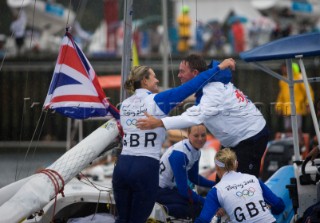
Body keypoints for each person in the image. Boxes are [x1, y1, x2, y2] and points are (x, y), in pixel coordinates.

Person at [112, 59, 235, 223]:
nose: (157, 80)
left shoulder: (125, 105)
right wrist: (219, 68)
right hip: (145, 167)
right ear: (144, 81)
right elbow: (191, 86)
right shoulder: (157, 100)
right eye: (154, 77)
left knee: (122, 219)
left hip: (122, 166)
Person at [137, 54, 268, 178]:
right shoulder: (211, 84)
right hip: (235, 140)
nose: (178, 75)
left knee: (243, 185)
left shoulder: (213, 91)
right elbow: (206, 102)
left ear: (195, 73)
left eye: (182, 71)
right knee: (223, 183)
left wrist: (159, 123)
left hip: (251, 137)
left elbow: (194, 117)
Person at [194, 148, 285, 223]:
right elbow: (278, 205)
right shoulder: (253, 179)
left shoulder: (216, 191)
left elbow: (203, 220)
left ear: (217, 168)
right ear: (236, 164)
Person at [157, 124, 215, 220]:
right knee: (198, 208)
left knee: (198, 205)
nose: (200, 139)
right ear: (188, 135)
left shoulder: (196, 150)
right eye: (196, 136)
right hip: (160, 190)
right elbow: (184, 191)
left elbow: (194, 178)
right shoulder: (180, 155)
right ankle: (159, 210)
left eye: (203, 135)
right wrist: (205, 201)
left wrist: (216, 183)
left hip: (171, 189)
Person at [275, 62, 314, 146]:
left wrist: (308, 103)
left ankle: (300, 144)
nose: (282, 70)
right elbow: (281, 96)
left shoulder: (299, 77)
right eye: (282, 68)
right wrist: (278, 107)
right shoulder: (283, 80)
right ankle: (291, 144)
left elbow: (308, 91)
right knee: (287, 128)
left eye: (284, 67)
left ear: (289, 68)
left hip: (297, 107)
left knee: (296, 127)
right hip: (286, 107)